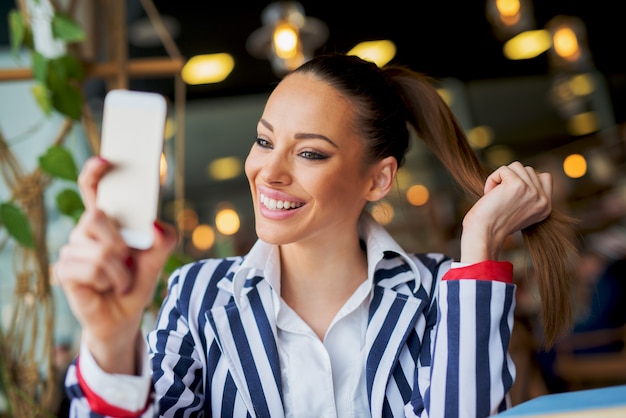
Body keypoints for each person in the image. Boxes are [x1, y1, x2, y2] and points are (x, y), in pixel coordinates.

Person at [55, 53, 578, 418]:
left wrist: (479, 239)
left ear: (379, 178)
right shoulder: (200, 295)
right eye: (264, 141)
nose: (269, 171)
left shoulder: (446, 292)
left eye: (310, 153)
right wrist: (110, 339)